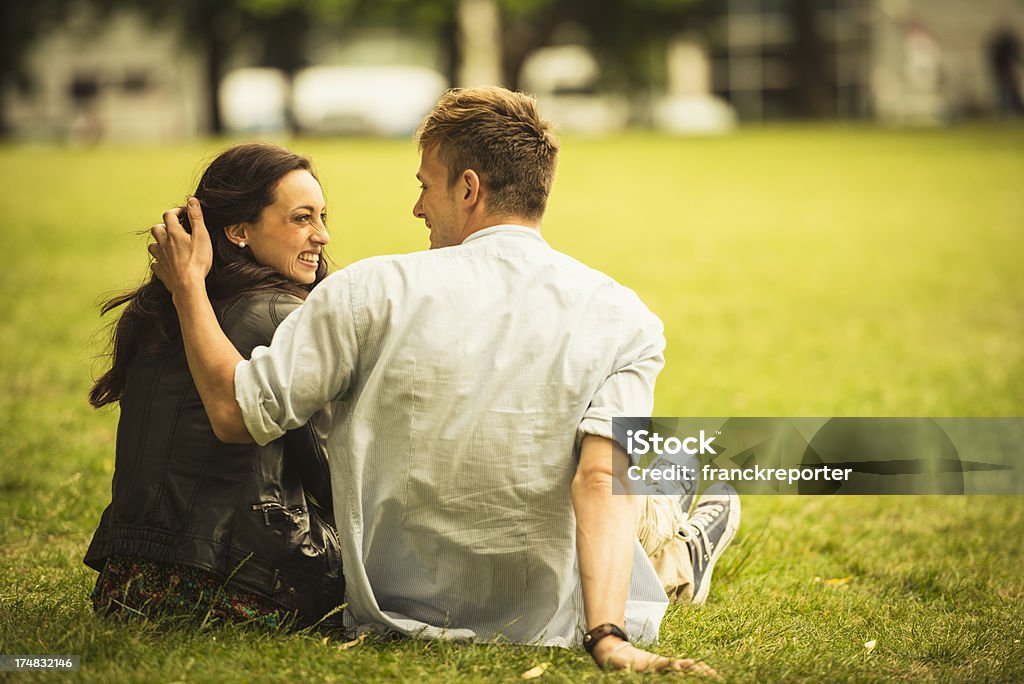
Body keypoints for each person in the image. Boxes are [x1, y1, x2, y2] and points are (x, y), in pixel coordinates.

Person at [148, 87, 737, 674]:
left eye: (424, 185)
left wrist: (189, 289)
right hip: (544, 622)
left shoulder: (367, 291)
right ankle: (689, 539)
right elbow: (602, 473)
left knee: (669, 470)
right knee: (666, 469)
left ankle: (686, 532)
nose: (418, 207)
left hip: (394, 610)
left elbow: (234, 412)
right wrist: (608, 637)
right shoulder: (625, 316)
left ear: (469, 188)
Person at [85, 142, 343, 628]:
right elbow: (334, 477)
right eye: (301, 219)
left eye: (322, 216)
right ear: (239, 230)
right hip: (246, 583)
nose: (323, 236)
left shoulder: (157, 311)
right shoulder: (284, 318)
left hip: (131, 583)